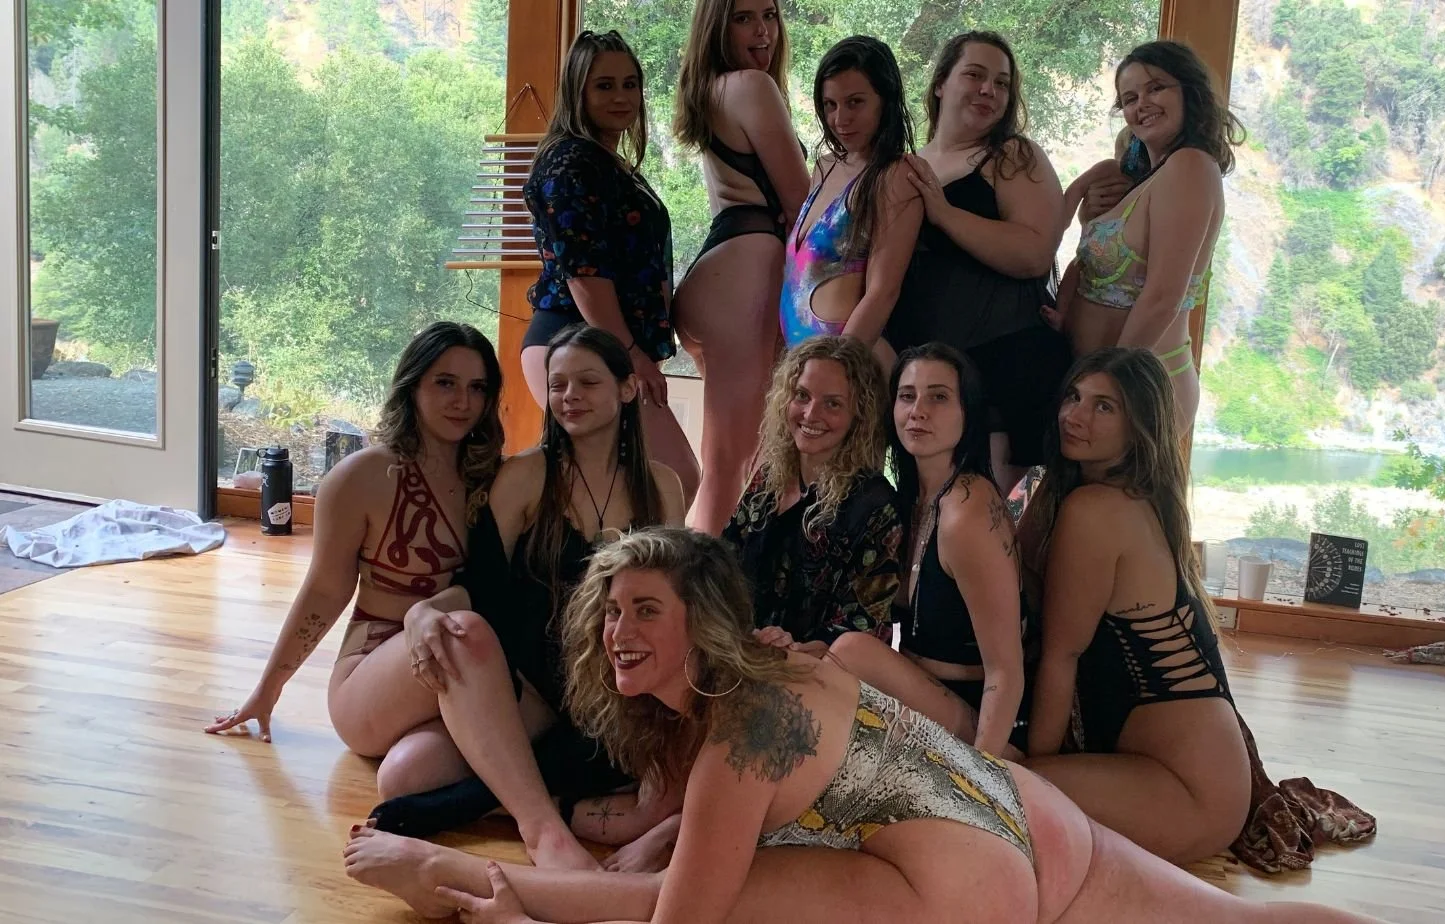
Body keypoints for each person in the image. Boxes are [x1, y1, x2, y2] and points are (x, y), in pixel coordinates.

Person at [344, 528, 1385, 924]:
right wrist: (663, 840)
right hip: (1032, 825)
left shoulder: (744, 733)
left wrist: (494, 897)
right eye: (611, 612)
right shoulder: (789, 669)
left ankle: (454, 882)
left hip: (958, 890)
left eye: (646, 610)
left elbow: (675, 914)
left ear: (704, 624)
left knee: (669, 905)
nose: (619, 632)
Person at [1019, 348, 1374, 868]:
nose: (1075, 415)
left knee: (1006, 787)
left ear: (1139, 427)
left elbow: (1062, 655)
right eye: (1074, 396)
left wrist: (1041, 769)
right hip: (1200, 775)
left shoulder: (1094, 509)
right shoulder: (1124, 495)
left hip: (1188, 792)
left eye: (1103, 406)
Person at [363, 324, 687, 870]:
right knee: (403, 777)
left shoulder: (661, 486)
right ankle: (558, 807)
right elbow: (482, 588)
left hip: (619, 691)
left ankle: (502, 804)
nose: (570, 397)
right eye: (558, 385)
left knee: (650, 773)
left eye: (588, 382)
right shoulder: (525, 476)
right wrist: (424, 610)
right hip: (531, 690)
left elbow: (674, 606)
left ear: (627, 388)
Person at [205, 322, 502, 759]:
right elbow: (325, 591)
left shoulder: (495, 477)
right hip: (372, 673)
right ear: (411, 385)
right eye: (445, 383)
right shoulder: (360, 477)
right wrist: (267, 690)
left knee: (409, 772)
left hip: (462, 674)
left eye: (477, 387)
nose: (463, 402)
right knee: (460, 635)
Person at [817, 343, 1031, 758]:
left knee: (850, 652)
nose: (918, 411)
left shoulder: (966, 509)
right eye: (907, 395)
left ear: (968, 413)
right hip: (924, 703)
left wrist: (981, 777)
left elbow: (1006, 671)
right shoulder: (907, 499)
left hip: (987, 724)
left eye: (938, 397)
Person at [886, 31, 1071, 494]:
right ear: (940, 84)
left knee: (987, 517)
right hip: (922, 376)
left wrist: (945, 215)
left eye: (1002, 83)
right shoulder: (904, 164)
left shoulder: (1012, 155)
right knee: (923, 514)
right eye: (975, 75)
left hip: (1005, 370)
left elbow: (1034, 253)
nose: (989, 90)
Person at [522, 29, 700, 505]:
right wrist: (632, 356)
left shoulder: (603, 161)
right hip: (576, 343)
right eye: (604, 85)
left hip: (600, 347)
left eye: (630, 84)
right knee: (673, 479)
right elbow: (584, 276)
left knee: (639, 489)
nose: (621, 96)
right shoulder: (570, 165)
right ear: (577, 92)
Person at [672, 0, 811, 535]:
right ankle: (698, 580)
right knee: (735, 463)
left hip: (723, 271)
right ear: (716, 26)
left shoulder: (711, 90)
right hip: (745, 275)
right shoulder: (753, 86)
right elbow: (801, 204)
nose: (763, 31)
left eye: (769, 15)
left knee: (741, 459)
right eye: (743, 18)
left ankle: (717, 574)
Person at [1054, 40, 1244, 431]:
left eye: (1156, 88)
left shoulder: (1190, 165)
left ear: (1189, 91)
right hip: (1101, 385)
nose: (1142, 104)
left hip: (1136, 387)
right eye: (1130, 98)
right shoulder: (1149, 179)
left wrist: (1107, 384)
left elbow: (1162, 297)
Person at [721, 336, 900, 649]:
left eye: (833, 403)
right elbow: (723, 565)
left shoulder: (875, 504)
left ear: (859, 415)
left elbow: (863, 627)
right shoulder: (767, 477)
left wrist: (794, 650)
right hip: (742, 650)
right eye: (802, 395)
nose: (810, 414)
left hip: (819, 669)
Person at [780, 36, 920, 369]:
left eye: (855, 102)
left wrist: (836, 370)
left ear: (885, 101)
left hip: (853, 363)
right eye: (830, 105)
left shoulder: (895, 175)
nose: (840, 118)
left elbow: (883, 292)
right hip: (806, 365)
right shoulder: (824, 167)